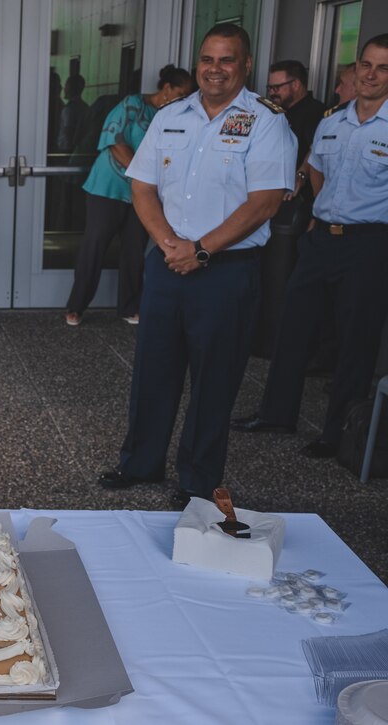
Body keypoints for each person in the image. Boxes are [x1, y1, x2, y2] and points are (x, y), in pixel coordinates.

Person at [96, 23, 296, 502]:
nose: (215, 69)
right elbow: (141, 185)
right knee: (153, 371)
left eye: (227, 60)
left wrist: (202, 248)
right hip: (168, 262)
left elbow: (264, 202)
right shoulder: (171, 116)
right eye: (208, 59)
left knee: (215, 379)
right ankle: (140, 464)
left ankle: (198, 481)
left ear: (245, 66)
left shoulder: (266, 122)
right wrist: (169, 243)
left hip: (225, 271)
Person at [230, 34, 388, 459]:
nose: (372, 75)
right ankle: (276, 414)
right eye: (366, 65)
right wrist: (326, 209)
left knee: (356, 339)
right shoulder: (333, 120)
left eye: (383, 68)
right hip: (322, 238)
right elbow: (314, 170)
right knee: (293, 325)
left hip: (370, 243)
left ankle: (338, 433)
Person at [65, 65, 194, 327]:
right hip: (109, 187)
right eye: (180, 93)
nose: (183, 99)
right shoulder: (133, 105)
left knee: (134, 249)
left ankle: (128, 306)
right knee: (95, 245)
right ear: (166, 88)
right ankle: (76, 306)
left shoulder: (175, 117)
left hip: (145, 195)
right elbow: (115, 141)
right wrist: (143, 175)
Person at [267, 60, 326, 166]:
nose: (272, 93)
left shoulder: (315, 112)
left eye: (276, 88)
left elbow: (316, 151)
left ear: (295, 84)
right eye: (270, 88)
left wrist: (301, 175)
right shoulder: (274, 111)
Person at [57, 74, 89, 153]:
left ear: (71, 88)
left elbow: (69, 132)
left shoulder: (69, 109)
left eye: (66, 85)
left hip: (66, 150)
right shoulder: (85, 107)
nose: (64, 88)